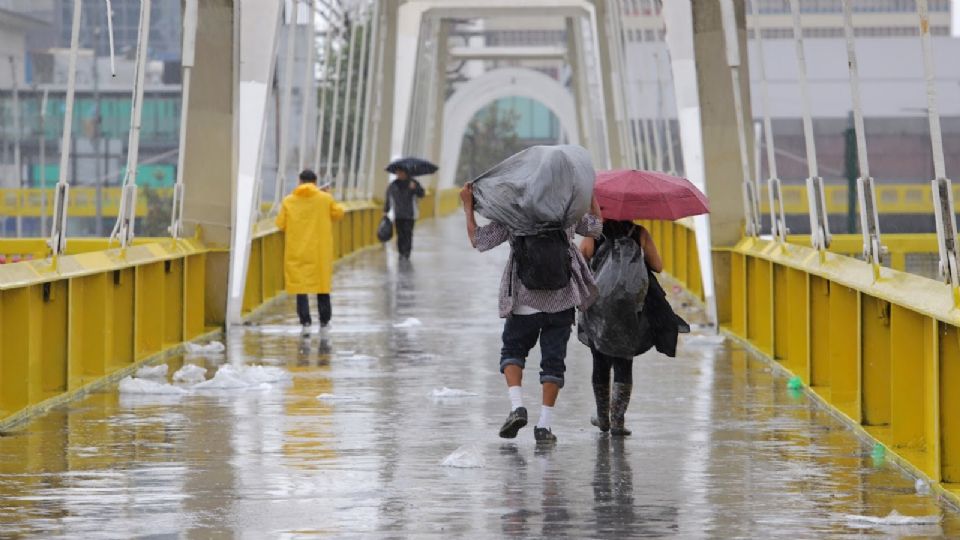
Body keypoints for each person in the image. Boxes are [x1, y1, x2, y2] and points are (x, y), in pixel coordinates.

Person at [460, 183, 603, 444]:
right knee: (553, 362)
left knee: (512, 351)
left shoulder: (514, 214)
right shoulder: (568, 213)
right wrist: (590, 196)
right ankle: (544, 426)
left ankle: (517, 407)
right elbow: (594, 228)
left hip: (524, 299)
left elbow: (478, 241)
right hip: (561, 299)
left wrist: (468, 207)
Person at [579, 220, 663, 436]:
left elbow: (581, 259)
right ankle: (617, 421)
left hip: (599, 304)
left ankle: (602, 417)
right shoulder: (640, 232)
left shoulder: (594, 232)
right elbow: (658, 266)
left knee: (600, 361)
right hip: (628, 304)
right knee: (624, 362)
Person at [276, 169, 345, 331]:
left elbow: (280, 224)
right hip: (319, 250)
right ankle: (324, 320)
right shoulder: (325, 199)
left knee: (301, 287)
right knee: (322, 285)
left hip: (297, 249)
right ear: (315, 182)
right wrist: (328, 195)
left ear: (300, 181)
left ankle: (305, 320)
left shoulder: (288, 201)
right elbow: (338, 214)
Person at [384, 169, 426, 259]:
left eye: (401, 173)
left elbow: (422, 194)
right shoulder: (393, 184)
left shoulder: (413, 182)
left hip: (410, 215)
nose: (399, 175)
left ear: (406, 173)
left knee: (408, 234)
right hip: (398, 214)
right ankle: (401, 252)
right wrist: (386, 210)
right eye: (397, 173)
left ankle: (407, 252)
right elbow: (388, 198)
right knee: (400, 234)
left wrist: (415, 188)